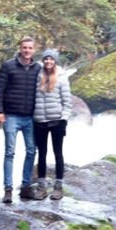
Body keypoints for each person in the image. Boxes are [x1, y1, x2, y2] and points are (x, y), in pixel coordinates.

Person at [0, 36, 41, 204]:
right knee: (10, 152)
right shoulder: (8, 66)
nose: (27, 50)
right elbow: (0, 89)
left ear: (34, 50)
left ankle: (26, 187)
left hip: (30, 117)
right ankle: (8, 189)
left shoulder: (38, 68)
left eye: (30, 48)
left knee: (31, 151)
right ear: (20, 49)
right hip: (11, 116)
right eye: (24, 47)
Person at [33, 48, 72, 200]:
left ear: (55, 61)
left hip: (56, 121)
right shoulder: (37, 76)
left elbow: (67, 102)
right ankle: (41, 187)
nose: (49, 61)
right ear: (43, 61)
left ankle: (58, 187)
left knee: (58, 153)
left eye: (52, 59)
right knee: (41, 154)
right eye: (46, 59)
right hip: (39, 121)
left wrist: (64, 120)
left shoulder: (62, 78)